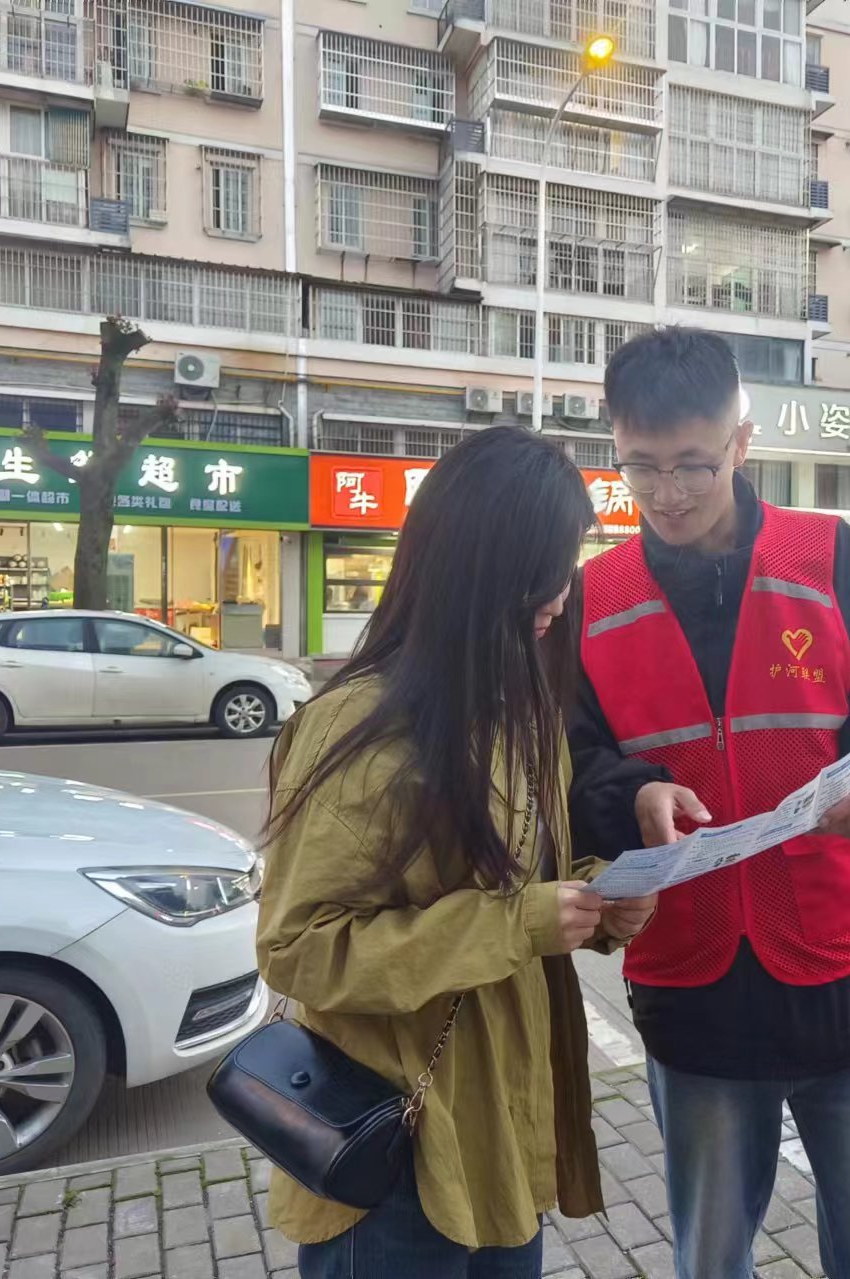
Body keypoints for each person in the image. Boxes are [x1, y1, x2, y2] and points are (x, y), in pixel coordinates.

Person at [570, 329, 850, 1279]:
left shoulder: (828, 556)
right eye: (641, 467)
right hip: (695, 993)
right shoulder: (594, 598)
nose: (667, 493)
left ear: (741, 442)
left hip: (846, 981)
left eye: (693, 464)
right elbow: (567, 757)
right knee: (710, 1261)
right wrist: (636, 791)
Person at [256, 428, 657, 1279]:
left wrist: (601, 900)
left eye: (568, 565)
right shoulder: (357, 727)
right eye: (546, 570)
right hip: (394, 1152)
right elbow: (298, 948)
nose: (561, 595)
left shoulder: (522, 710)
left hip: (502, 1137)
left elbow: (529, 884)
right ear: (482, 569)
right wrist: (520, 922)